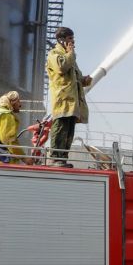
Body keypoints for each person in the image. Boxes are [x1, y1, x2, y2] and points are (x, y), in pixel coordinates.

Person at [46, 27, 91, 167]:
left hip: (72, 102)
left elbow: (74, 78)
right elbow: (61, 67)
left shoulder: (70, 57)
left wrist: (84, 80)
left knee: (69, 131)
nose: (73, 42)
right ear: (62, 40)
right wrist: (71, 53)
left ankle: (63, 158)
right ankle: (54, 158)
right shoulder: (54, 54)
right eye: (71, 39)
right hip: (62, 100)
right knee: (60, 128)